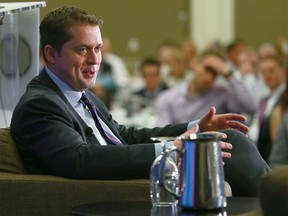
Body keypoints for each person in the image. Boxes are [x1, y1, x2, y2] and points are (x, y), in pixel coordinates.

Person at [10, 6, 269, 197]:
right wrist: (172, 151)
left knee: (223, 138)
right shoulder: (39, 104)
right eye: (82, 49)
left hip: (137, 175)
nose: (95, 59)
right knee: (232, 143)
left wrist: (196, 128)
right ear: (51, 54)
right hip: (116, 191)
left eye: (98, 48)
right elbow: (81, 159)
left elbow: (125, 135)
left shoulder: (82, 95)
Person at [155, 50, 257, 127]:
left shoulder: (221, 94)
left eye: (215, 74)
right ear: (195, 64)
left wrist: (227, 74)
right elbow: (162, 134)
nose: (209, 78)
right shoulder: (168, 98)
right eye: (206, 70)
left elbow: (250, 108)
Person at [249, 55, 286, 162]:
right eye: (264, 72)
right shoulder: (264, 101)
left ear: (283, 71)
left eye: (271, 70)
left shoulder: (285, 99)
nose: (267, 75)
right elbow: (254, 131)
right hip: (258, 151)